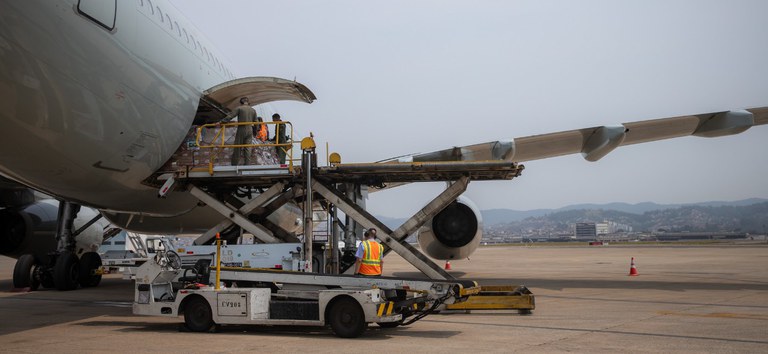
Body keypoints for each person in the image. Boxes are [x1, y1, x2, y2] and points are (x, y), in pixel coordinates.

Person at [219, 97, 257, 165]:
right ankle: (247, 165)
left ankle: (234, 164)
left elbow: (230, 116)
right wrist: (255, 132)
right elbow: (256, 122)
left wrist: (221, 122)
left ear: (241, 102)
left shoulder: (239, 108)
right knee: (248, 148)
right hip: (250, 130)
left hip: (241, 129)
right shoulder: (253, 110)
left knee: (238, 147)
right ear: (248, 102)